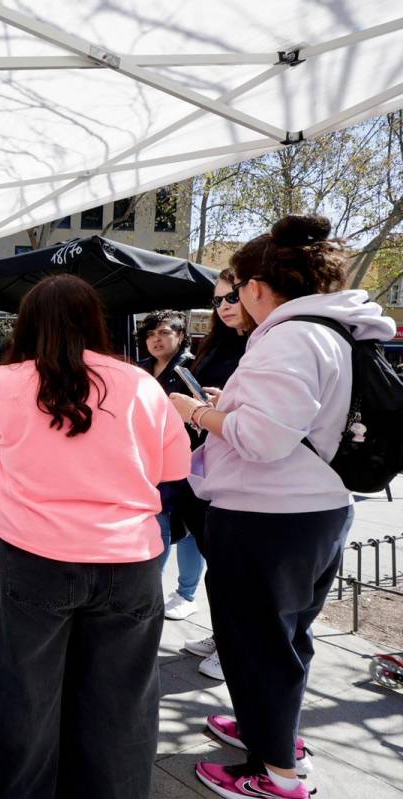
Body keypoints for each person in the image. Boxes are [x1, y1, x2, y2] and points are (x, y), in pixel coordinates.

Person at [168, 215, 394, 799]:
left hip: (269, 518)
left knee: (260, 643)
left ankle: (277, 777)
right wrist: (230, 405)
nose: (236, 300)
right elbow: (290, 421)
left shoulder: (291, 335)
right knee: (286, 638)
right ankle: (271, 734)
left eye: (238, 288)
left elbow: (263, 439)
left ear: (260, 285)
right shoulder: (332, 329)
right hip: (313, 510)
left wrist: (193, 412)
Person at [0, 274, 191, 799]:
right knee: (120, 696)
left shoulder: (10, 379)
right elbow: (173, 465)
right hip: (129, 559)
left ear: (28, 324)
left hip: (35, 557)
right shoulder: (138, 383)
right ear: (95, 321)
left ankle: (16, 788)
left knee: (21, 685)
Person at [179, 267, 256, 682]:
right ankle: (223, 633)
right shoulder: (218, 344)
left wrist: (204, 411)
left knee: (235, 568)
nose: (224, 307)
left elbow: (259, 423)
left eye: (232, 298)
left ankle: (236, 645)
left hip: (238, 473)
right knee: (218, 561)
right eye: (217, 300)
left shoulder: (266, 345)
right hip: (201, 465)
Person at [137, 310, 200, 621]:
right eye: (150, 335)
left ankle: (186, 593)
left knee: (188, 529)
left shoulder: (193, 367)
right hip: (148, 461)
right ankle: (151, 590)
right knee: (158, 522)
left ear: (180, 335)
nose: (156, 340)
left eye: (163, 333)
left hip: (188, 459)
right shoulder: (141, 370)